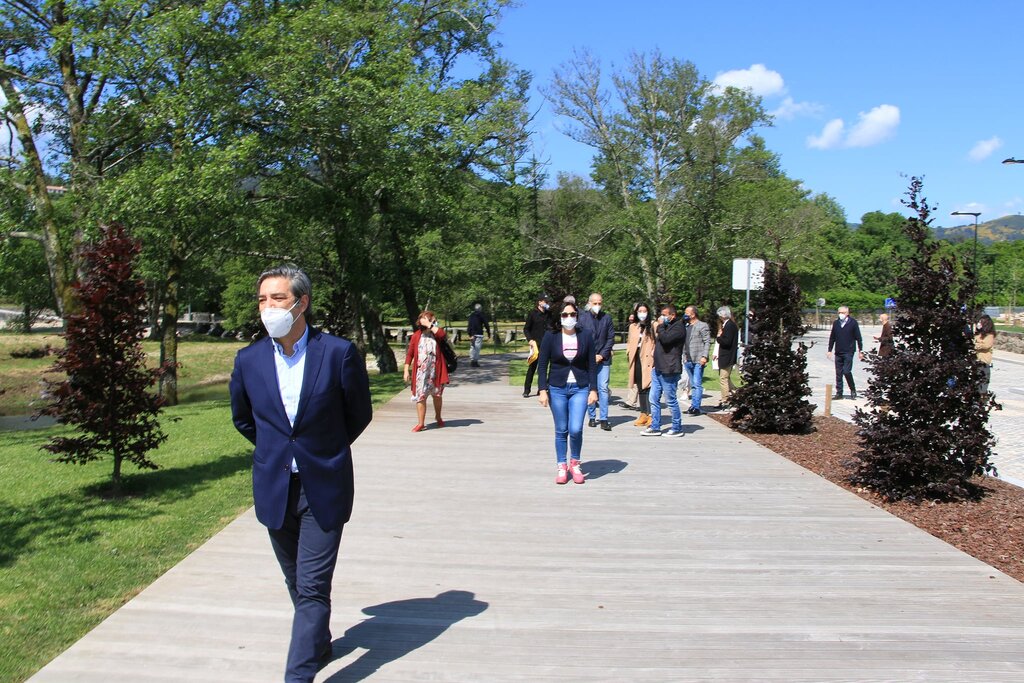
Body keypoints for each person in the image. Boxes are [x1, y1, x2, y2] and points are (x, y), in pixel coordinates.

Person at [229, 265, 373, 683]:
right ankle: (318, 641)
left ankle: (298, 676)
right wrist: (278, 451)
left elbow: (358, 414)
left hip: (323, 486)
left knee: (312, 586)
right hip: (275, 487)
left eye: (278, 298)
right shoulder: (249, 360)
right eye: (262, 300)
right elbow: (244, 419)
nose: (268, 307)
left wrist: (322, 451)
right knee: (296, 580)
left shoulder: (338, 353)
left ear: (301, 302)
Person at [537, 301, 598, 484]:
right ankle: (562, 466)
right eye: (565, 315)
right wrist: (542, 390)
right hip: (557, 388)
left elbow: (592, 365)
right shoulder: (551, 336)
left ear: (577, 316)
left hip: (580, 387)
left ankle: (575, 464)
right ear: (559, 317)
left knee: (576, 428)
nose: (569, 318)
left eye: (572, 314)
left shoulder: (585, 335)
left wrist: (593, 389)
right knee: (561, 429)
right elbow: (542, 364)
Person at [641, 304, 686, 437]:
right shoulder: (665, 327)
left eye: (665, 315)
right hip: (658, 368)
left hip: (669, 369)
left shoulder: (679, 328)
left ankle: (676, 427)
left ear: (672, 315)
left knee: (670, 400)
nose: (662, 317)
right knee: (653, 398)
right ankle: (655, 426)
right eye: (661, 315)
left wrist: (660, 326)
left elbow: (666, 340)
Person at [404, 310, 450, 431]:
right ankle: (421, 423)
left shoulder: (436, 334)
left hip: (436, 371)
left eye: (433, 320)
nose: (434, 322)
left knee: (437, 395)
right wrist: (406, 370)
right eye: (430, 320)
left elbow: (442, 335)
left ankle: (438, 417)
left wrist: (430, 325)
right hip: (421, 373)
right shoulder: (416, 336)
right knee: (421, 397)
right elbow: (410, 354)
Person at [577, 292, 615, 431]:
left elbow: (610, 338)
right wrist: (590, 355)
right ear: (589, 303)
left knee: (603, 388)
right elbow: (579, 339)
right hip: (588, 359)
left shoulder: (607, 318)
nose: (597, 305)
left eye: (599, 303)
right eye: (595, 303)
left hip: (603, 359)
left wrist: (602, 355)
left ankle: (604, 418)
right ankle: (592, 417)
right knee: (589, 388)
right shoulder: (582, 319)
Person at [627, 302, 656, 426]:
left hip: (648, 360)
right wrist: (629, 352)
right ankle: (643, 413)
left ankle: (651, 415)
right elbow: (630, 341)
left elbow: (657, 342)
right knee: (640, 387)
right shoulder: (633, 326)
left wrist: (654, 356)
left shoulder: (653, 325)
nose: (642, 314)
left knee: (648, 386)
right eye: (640, 311)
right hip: (636, 358)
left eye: (644, 311)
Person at [827, 305, 864, 400]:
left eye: (843, 313)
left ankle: (852, 389)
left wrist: (861, 350)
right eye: (839, 312)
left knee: (846, 371)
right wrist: (829, 350)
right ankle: (839, 393)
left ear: (847, 313)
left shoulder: (853, 323)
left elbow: (858, 337)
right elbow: (832, 337)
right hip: (838, 351)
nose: (841, 314)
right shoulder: (836, 323)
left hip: (849, 351)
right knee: (838, 373)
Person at [682, 305, 710, 415]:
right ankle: (693, 406)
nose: (685, 315)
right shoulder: (686, 326)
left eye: (687, 313)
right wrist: (684, 357)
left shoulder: (702, 325)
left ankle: (696, 407)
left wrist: (704, 356)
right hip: (687, 359)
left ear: (693, 314)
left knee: (697, 384)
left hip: (698, 359)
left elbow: (707, 342)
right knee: (692, 383)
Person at [522, 295, 551, 397]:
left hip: (546, 345)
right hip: (536, 345)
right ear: (539, 302)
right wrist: (530, 340)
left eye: (547, 301)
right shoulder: (533, 314)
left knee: (543, 368)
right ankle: (527, 390)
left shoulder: (549, 314)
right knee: (532, 367)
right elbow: (526, 329)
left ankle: (542, 388)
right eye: (545, 301)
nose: (546, 303)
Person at [714, 306, 739, 407]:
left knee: (723, 379)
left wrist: (719, 337)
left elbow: (727, 342)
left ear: (722, 315)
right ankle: (737, 393)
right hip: (727, 356)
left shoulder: (729, 326)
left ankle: (725, 400)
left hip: (727, 356)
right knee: (727, 378)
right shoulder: (730, 325)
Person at [975, 314, 997, 395]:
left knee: (983, 383)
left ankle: (981, 397)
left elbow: (986, 345)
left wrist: (976, 345)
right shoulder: (978, 334)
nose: (979, 323)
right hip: (975, 361)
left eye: (981, 322)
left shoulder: (990, 335)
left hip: (983, 361)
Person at [467, 303, 490, 368]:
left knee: (472, 347)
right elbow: (486, 324)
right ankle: (475, 362)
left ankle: (472, 360)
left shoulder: (471, 315)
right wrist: (488, 333)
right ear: (480, 309)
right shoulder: (481, 315)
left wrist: (469, 333)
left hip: (472, 334)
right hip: (478, 333)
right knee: (477, 348)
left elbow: (469, 324)